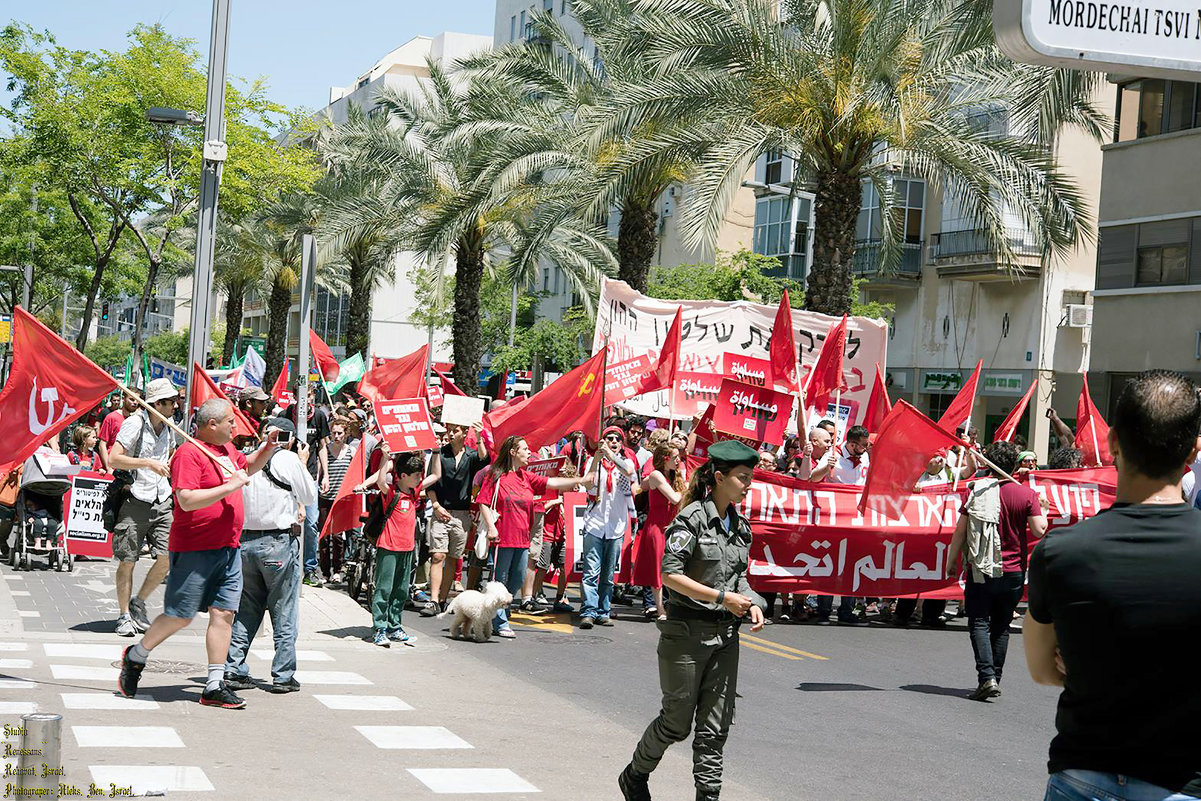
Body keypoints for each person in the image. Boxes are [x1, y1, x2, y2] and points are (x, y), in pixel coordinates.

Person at [1025, 370, 1201, 801]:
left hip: (1082, 776)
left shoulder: (1058, 552)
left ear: (1113, 442)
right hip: (1181, 783)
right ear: (1194, 449)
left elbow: (1042, 669)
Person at [619, 440, 766, 801]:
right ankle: (635, 775)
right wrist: (721, 597)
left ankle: (708, 796)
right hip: (686, 634)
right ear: (719, 477)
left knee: (714, 730)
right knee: (676, 723)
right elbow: (669, 575)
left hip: (725, 637)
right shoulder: (691, 519)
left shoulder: (739, 524)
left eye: (750, 477)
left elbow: (739, 577)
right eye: (742, 477)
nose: (748, 484)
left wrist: (753, 603)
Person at [117, 398, 282, 709]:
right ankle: (136, 655)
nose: (236, 426)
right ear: (212, 425)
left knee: (224, 614)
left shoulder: (227, 451)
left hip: (229, 548)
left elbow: (246, 467)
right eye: (231, 422)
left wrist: (267, 450)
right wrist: (231, 486)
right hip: (195, 549)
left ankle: (214, 684)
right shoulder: (189, 453)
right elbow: (188, 500)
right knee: (180, 616)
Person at [945, 439, 1047, 701]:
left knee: (979, 621)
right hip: (1013, 571)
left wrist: (951, 559)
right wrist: (1043, 510)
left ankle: (987, 677)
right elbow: (1039, 530)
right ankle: (993, 678)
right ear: (1014, 465)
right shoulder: (1026, 494)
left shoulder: (977, 491)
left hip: (981, 569)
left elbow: (960, 531)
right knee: (1001, 626)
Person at [223, 417, 316, 694]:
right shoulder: (286, 460)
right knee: (284, 609)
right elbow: (310, 496)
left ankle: (233, 668)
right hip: (277, 541)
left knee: (246, 609)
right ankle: (283, 674)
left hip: (246, 542)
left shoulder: (247, 458)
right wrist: (301, 461)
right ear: (289, 439)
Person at [476, 435, 592, 639]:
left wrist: (580, 480)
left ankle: (499, 607)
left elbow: (552, 482)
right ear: (513, 452)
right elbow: (483, 501)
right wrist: (492, 526)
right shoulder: (495, 475)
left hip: (522, 538)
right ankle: (500, 621)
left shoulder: (526, 476)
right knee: (499, 581)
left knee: (518, 578)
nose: (529, 452)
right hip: (501, 538)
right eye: (525, 449)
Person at [107, 380, 180, 637]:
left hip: (163, 500)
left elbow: (169, 455)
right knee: (128, 560)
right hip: (135, 500)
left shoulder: (170, 426)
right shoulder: (134, 423)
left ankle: (139, 602)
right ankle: (124, 615)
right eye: (170, 401)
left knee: (168, 556)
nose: (175, 405)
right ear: (157, 404)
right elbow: (113, 458)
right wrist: (147, 463)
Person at [421, 422, 490, 616]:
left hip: (462, 514)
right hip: (440, 510)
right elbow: (430, 484)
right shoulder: (440, 454)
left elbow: (485, 461)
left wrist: (479, 436)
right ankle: (433, 600)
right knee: (437, 555)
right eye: (449, 430)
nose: (450, 434)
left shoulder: (471, 455)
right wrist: (436, 506)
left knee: (453, 557)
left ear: (463, 433)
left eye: (455, 430)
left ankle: (443, 599)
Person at [579, 426, 640, 629]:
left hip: (615, 526)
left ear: (621, 444)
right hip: (594, 524)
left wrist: (611, 457)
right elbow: (588, 484)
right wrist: (598, 456)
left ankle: (603, 611)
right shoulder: (592, 461)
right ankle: (588, 611)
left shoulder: (626, 462)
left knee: (607, 574)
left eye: (617, 439)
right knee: (591, 572)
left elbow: (629, 471)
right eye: (608, 438)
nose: (613, 441)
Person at [363, 451, 425, 647]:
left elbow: (437, 476)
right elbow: (381, 480)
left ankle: (395, 626)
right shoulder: (391, 493)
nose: (419, 479)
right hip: (389, 547)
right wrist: (384, 458)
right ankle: (379, 628)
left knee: (400, 590)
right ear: (403, 476)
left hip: (407, 549)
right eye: (416, 476)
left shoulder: (414, 492)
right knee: (384, 588)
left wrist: (438, 452)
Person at [632, 443, 684, 620]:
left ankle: (671, 606)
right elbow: (675, 498)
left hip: (672, 527)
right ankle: (660, 608)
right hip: (657, 527)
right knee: (658, 570)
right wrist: (690, 486)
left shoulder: (673, 476)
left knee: (674, 568)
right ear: (665, 459)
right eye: (675, 457)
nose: (679, 460)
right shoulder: (656, 475)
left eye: (679, 456)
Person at [524, 462, 580, 613]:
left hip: (562, 536)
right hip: (547, 535)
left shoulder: (571, 496)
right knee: (542, 567)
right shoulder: (549, 493)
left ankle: (560, 598)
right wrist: (556, 502)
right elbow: (540, 508)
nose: (571, 487)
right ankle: (532, 597)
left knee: (564, 567)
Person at [290, 385, 330, 587]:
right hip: (288, 478)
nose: (305, 399)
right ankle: (290, 565)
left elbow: (322, 446)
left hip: (311, 476)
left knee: (312, 523)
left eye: (308, 395)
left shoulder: (320, 416)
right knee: (291, 521)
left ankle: (310, 568)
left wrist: (325, 475)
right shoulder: (287, 414)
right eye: (301, 396)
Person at [317, 418, 357, 584]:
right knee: (324, 536)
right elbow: (319, 472)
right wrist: (319, 484)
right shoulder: (325, 450)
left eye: (340, 433)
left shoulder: (351, 451)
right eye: (333, 433)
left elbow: (355, 474)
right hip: (326, 497)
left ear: (346, 434)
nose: (336, 436)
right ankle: (325, 572)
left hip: (342, 499)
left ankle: (338, 569)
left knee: (338, 536)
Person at [98, 392, 138, 472]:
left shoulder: (136, 421)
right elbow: (102, 444)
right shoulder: (111, 417)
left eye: (137, 400)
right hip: (113, 467)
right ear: (123, 399)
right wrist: (108, 467)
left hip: (127, 467)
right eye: (132, 399)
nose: (135, 403)